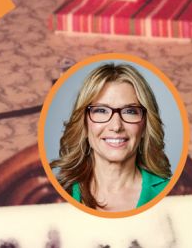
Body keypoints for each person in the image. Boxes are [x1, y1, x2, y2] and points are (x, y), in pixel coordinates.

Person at [50, 63, 171, 212]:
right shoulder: (54, 195)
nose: (116, 126)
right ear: (85, 124)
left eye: (130, 111)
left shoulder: (172, 195)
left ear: (145, 125)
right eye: (101, 110)